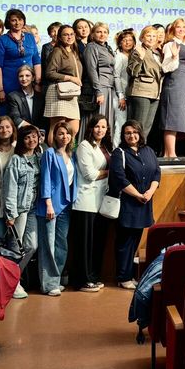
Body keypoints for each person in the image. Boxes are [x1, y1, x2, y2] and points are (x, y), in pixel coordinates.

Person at [109, 119, 160, 290]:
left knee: (135, 241)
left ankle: (128, 275)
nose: (132, 135)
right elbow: (119, 178)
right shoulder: (119, 153)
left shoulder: (148, 151)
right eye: (128, 133)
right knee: (125, 243)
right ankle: (123, 277)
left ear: (140, 133)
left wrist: (150, 192)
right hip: (128, 204)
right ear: (123, 135)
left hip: (144, 203)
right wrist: (138, 195)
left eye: (135, 132)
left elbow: (156, 173)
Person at [36, 120, 79, 296]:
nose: (64, 136)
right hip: (50, 205)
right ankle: (48, 284)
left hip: (65, 205)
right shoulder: (49, 153)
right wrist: (48, 203)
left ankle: (57, 279)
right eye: (60, 133)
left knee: (61, 244)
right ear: (54, 136)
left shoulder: (71, 155)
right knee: (48, 246)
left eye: (67, 133)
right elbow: (45, 179)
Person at [71, 115, 111, 292]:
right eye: (97, 126)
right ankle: (82, 280)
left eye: (103, 127)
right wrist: (110, 172)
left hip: (100, 201)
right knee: (84, 244)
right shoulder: (84, 146)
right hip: (86, 201)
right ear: (90, 128)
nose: (100, 130)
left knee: (96, 243)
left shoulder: (106, 147)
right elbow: (90, 175)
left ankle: (93, 276)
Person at [5, 124, 42, 299]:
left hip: (33, 208)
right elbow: (10, 187)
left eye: (34, 136)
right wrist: (11, 213)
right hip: (19, 209)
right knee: (15, 248)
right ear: (21, 140)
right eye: (27, 137)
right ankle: (12, 284)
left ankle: (13, 278)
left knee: (32, 246)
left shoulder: (39, 158)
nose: (31, 140)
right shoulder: (16, 160)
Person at [0, 8, 42, 128]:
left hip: (29, 83)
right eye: (13, 20)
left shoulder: (30, 37)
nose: (17, 23)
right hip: (9, 84)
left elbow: (36, 60)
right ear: (8, 22)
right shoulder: (2, 39)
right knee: (8, 120)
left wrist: (38, 82)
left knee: (29, 116)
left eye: (20, 19)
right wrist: (0, 89)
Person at [160, 18, 185, 158]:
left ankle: (169, 153)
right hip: (174, 81)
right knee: (171, 117)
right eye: (178, 27)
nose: (181, 30)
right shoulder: (170, 44)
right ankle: (170, 153)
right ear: (173, 29)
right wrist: (174, 57)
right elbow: (165, 67)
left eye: (184, 27)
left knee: (179, 118)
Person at [45, 24, 83, 140]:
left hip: (71, 93)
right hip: (58, 92)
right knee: (57, 128)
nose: (69, 37)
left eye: (71, 34)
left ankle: (67, 151)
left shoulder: (74, 52)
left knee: (74, 129)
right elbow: (49, 73)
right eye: (66, 35)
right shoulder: (57, 51)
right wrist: (70, 78)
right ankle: (53, 151)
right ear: (60, 37)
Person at [128, 26, 164, 142]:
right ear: (142, 37)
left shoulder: (156, 53)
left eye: (154, 36)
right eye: (148, 35)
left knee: (147, 127)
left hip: (155, 93)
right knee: (139, 125)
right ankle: (133, 147)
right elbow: (132, 72)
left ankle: (141, 147)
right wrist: (140, 58)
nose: (151, 38)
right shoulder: (138, 50)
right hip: (141, 91)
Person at [84, 23, 118, 135]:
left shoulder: (107, 48)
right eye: (99, 32)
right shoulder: (91, 47)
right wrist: (98, 91)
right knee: (97, 121)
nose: (102, 34)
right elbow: (91, 70)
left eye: (105, 32)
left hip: (109, 88)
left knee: (106, 122)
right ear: (93, 34)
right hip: (100, 88)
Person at [7, 64, 45, 132]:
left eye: (27, 75)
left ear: (33, 78)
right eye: (21, 76)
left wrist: (41, 132)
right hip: (22, 133)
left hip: (39, 134)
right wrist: (34, 130)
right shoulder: (13, 96)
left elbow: (43, 119)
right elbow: (15, 118)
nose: (24, 79)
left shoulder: (41, 97)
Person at [113, 29, 135, 143]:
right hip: (120, 97)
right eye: (124, 40)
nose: (127, 42)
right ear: (120, 42)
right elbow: (116, 76)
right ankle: (116, 148)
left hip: (130, 95)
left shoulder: (133, 56)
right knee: (120, 124)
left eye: (130, 40)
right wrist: (120, 96)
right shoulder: (119, 56)